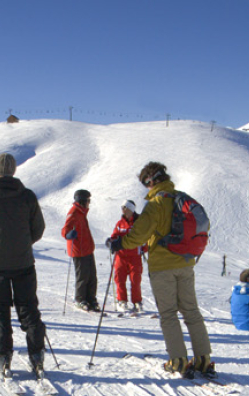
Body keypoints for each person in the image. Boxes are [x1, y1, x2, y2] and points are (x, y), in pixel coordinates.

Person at [109, 161, 213, 378]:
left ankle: (178, 361)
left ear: (151, 181)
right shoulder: (182, 198)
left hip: (163, 266)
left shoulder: (156, 203)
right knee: (191, 311)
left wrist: (119, 243)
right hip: (185, 263)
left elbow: (138, 235)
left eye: (146, 184)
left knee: (168, 313)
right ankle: (203, 359)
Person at [0, 153, 47, 377]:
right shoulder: (27, 196)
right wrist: (24, 243)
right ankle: (36, 355)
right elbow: (38, 228)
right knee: (28, 308)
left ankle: (3, 356)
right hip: (23, 261)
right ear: (13, 171)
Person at [62, 188, 98, 312]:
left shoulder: (82, 212)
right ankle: (80, 299)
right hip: (78, 251)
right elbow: (64, 230)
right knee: (82, 276)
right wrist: (68, 235)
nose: (89, 203)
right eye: (88, 200)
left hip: (87, 249)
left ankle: (91, 298)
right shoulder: (73, 213)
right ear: (82, 200)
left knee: (92, 276)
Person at [109, 199, 147, 313]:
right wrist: (111, 242)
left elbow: (146, 238)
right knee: (119, 279)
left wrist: (144, 249)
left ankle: (137, 301)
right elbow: (114, 235)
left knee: (135, 280)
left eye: (125, 208)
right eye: (122, 208)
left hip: (134, 256)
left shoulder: (139, 223)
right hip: (121, 256)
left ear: (131, 209)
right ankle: (122, 301)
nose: (123, 210)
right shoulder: (120, 223)